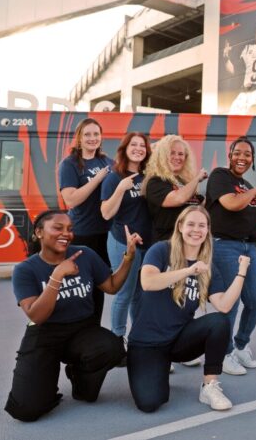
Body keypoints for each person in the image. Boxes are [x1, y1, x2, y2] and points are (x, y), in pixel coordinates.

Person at [4, 211, 141, 422]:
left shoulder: (85, 254)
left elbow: (112, 286)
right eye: (58, 228)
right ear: (39, 232)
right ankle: (46, 381)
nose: (66, 234)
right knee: (26, 410)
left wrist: (129, 257)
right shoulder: (25, 269)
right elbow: (37, 316)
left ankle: (78, 375)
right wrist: (57, 275)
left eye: (69, 229)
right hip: (45, 334)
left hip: (82, 330)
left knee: (112, 348)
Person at [127, 206, 251, 412]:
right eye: (191, 224)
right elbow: (148, 282)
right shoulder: (161, 250)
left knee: (219, 321)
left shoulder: (206, 267)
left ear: (207, 230)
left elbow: (224, 304)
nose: (196, 230)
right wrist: (188, 270)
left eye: (202, 225)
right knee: (149, 403)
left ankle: (209, 386)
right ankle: (158, 367)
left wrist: (242, 272)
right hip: (147, 342)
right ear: (180, 227)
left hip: (179, 341)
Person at [205, 136, 256, 375]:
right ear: (230, 155)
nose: (242, 158)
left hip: (248, 248)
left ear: (252, 159)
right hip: (225, 246)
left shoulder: (246, 186)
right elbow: (231, 204)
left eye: (247, 154)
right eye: (238, 153)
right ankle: (223, 354)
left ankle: (240, 346)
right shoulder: (220, 176)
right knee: (230, 304)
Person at [100, 132, 152, 349]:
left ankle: (138, 337)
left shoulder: (149, 176)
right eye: (134, 145)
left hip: (147, 243)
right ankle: (117, 340)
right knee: (124, 293)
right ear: (125, 149)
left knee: (140, 295)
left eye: (143, 145)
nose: (138, 148)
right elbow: (106, 213)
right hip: (122, 242)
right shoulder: (115, 177)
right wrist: (121, 189)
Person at [58, 118, 113, 320]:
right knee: (82, 286)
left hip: (107, 234)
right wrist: (98, 178)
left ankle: (94, 335)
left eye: (96, 134)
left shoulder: (108, 162)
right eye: (87, 134)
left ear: (101, 137)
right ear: (79, 138)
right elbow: (71, 199)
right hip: (83, 235)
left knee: (100, 286)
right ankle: (79, 332)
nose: (92, 138)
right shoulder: (70, 164)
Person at [143, 135, 208, 243]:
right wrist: (197, 179)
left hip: (189, 245)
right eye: (172, 153)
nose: (177, 157)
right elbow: (178, 199)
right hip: (167, 244)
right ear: (162, 156)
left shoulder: (185, 182)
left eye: (181, 154)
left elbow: (199, 206)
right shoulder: (156, 182)